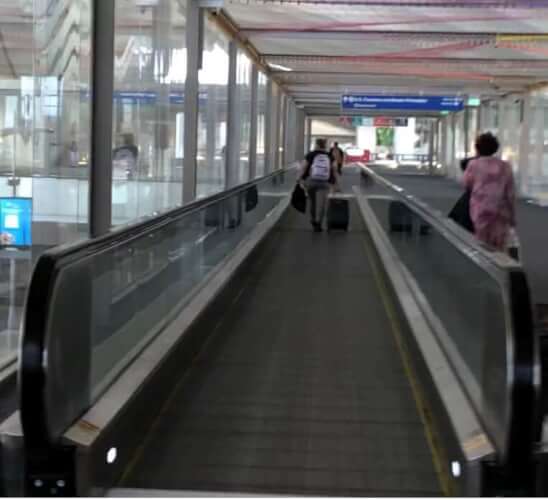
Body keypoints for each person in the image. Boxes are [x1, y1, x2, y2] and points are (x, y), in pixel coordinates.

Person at [463, 133, 515, 251]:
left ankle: (484, 266)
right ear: (495, 148)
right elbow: (510, 193)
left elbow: (466, 183)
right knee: (500, 243)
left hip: (480, 209)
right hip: (501, 210)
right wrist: (512, 215)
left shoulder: (474, 164)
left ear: (478, 148)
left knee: (482, 242)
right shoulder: (505, 166)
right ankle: (500, 266)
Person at [300, 138, 337, 232]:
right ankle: (318, 223)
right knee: (322, 203)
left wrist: (300, 178)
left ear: (316, 144)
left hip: (311, 181)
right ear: (324, 145)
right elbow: (334, 169)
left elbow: (304, 167)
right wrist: (336, 183)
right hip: (325, 182)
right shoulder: (329, 155)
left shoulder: (310, 154)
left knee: (313, 202)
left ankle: (313, 220)